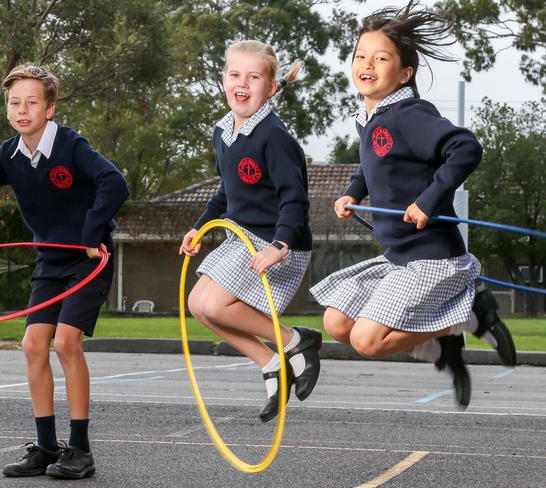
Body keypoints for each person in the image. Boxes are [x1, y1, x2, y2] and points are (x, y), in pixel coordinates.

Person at [310, 1, 516, 409]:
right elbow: (374, 166)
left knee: (366, 341)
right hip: (400, 256)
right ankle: (445, 348)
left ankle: (472, 313)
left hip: (433, 257)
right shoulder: (369, 118)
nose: (367, 63)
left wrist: (428, 199)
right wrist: (354, 192)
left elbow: (465, 147)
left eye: (381, 58)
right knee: (337, 322)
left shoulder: (408, 114)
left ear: (404, 74)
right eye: (360, 56)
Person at [0, 64, 129, 478]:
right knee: (33, 345)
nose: (22, 110)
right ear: (8, 109)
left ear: (49, 108)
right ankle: (47, 448)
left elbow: (114, 183)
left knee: (66, 344)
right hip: (50, 258)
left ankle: (80, 451)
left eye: (32, 102)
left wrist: (90, 230)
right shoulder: (9, 155)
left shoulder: (70, 145)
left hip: (89, 257)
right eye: (15, 103)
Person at [179, 40, 321, 423]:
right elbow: (226, 190)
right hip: (241, 237)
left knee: (212, 304)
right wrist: (197, 228)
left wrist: (279, 245)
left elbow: (295, 200)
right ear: (224, 79)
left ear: (272, 87)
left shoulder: (274, 137)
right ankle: (272, 363)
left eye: (254, 77)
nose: (242, 83)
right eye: (235, 74)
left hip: (278, 242)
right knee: (198, 306)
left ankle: (295, 340)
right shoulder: (223, 132)